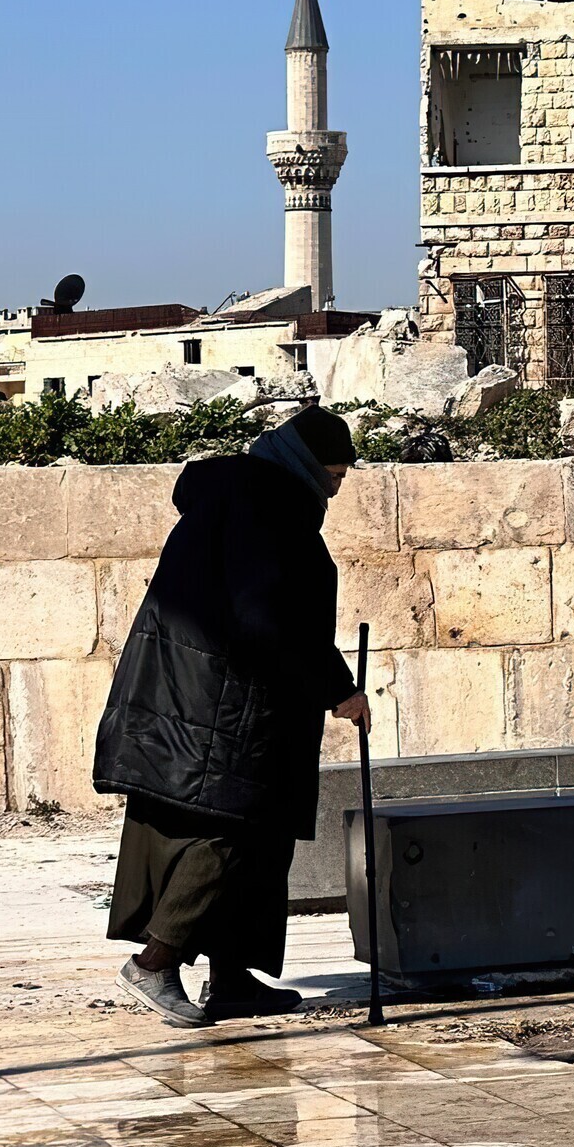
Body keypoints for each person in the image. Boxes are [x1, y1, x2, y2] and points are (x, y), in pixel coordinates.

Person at [93, 405, 370, 1026]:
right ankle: (155, 963)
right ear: (308, 459)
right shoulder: (267, 504)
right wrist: (337, 687)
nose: (339, 482)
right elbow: (268, 615)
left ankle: (232, 976)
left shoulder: (249, 493)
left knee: (259, 830)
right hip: (221, 698)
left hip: (207, 690)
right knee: (233, 828)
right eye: (336, 469)